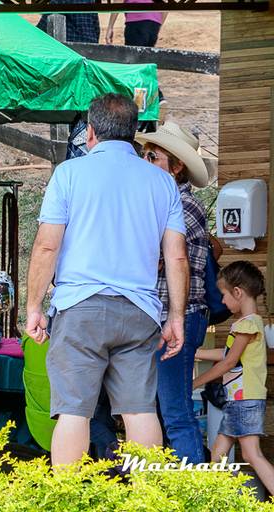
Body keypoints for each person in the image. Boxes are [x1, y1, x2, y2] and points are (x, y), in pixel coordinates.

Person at [25, 93, 188, 466]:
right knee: (140, 409)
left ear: (90, 132)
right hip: (139, 311)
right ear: (133, 132)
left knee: (73, 411)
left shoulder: (68, 174)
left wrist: (34, 306)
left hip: (79, 308)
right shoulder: (162, 183)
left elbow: (47, 247)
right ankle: (147, 495)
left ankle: (68, 495)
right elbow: (176, 255)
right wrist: (176, 317)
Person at [136, 121, 210, 464]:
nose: (145, 161)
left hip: (180, 316)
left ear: (177, 167)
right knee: (162, 410)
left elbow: (153, 258)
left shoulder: (184, 205)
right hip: (165, 317)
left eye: (153, 157)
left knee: (176, 411)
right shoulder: (166, 202)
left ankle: (193, 485)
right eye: (144, 154)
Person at [194, 261, 274, 494]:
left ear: (237, 292)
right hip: (238, 400)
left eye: (224, 295)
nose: (222, 301)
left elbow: (229, 362)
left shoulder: (247, 325)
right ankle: (218, 499)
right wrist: (196, 353)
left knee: (252, 454)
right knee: (217, 455)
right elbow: (228, 354)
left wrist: (195, 382)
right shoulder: (249, 323)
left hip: (244, 399)